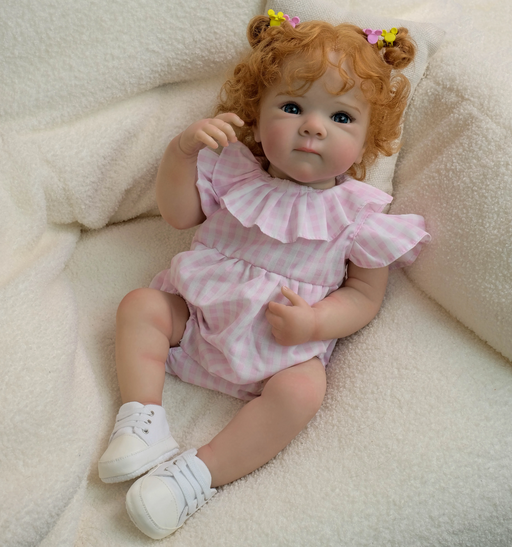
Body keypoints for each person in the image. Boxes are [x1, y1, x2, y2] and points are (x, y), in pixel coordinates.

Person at [98, 12, 429, 539]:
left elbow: (364, 297)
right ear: (256, 114)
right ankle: (143, 420)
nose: (313, 126)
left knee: (303, 392)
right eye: (292, 107)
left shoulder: (360, 217)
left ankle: (197, 475)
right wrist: (181, 153)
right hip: (196, 321)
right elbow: (179, 215)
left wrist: (315, 322)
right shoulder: (233, 173)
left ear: (370, 138)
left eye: (341, 117)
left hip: (280, 354)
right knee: (141, 306)